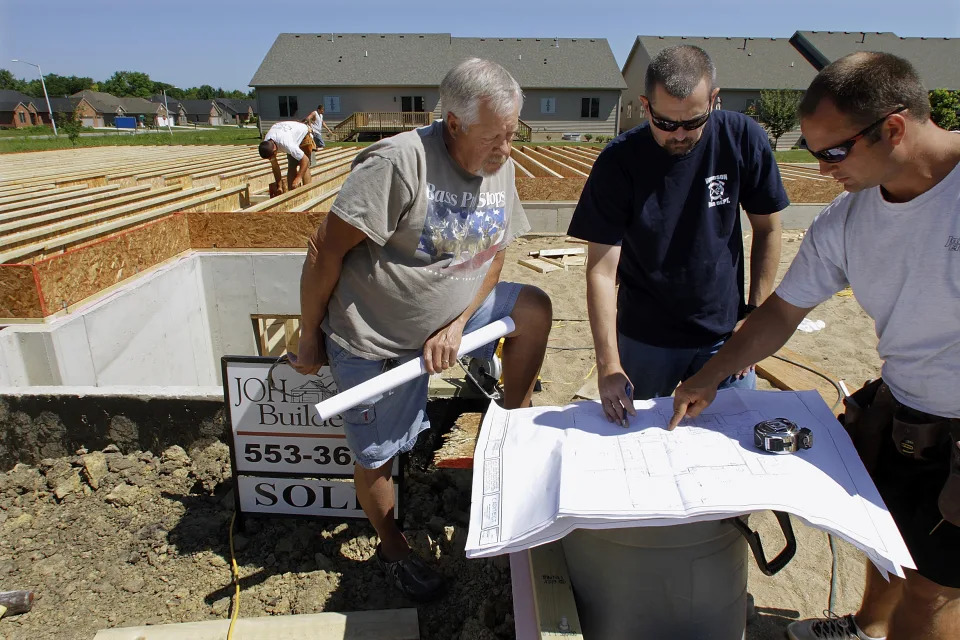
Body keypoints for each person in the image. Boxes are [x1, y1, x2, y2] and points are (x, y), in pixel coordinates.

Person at [671, 52, 960, 640]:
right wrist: (713, 373)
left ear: (895, 128)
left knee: (935, 593)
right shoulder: (849, 219)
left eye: (832, 151)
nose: (822, 168)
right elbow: (781, 312)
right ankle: (867, 626)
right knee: (889, 544)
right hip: (905, 411)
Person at [288, 58, 552, 602]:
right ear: (454, 123)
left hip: (455, 316)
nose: (507, 149)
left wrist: (457, 324)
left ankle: (512, 422)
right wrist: (309, 333)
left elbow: (495, 252)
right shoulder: (399, 163)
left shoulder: (497, 161)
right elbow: (324, 249)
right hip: (375, 337)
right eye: (495, 137)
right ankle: (392, 547)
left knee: (534, 309)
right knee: (376, 456)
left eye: (512, 133)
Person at [566, 44, 786, 423]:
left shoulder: (743, 138)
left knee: (727, 441)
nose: (680, 134)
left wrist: (754, 313)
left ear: (714, 101)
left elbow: (767, 229)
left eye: (693, 122)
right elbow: (601, 271)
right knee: (641, 442)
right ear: (645, 105)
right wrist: (609, 365)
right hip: (645, 339)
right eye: (666, 123)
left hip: (724, 335)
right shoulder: (619, 162)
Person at [258, 120, 315, 194]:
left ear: (274, 150)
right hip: (288, 134)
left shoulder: (286, 144)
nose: (270, 159)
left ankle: (308, 193)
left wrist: (298, 178)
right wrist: (279, 186)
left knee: (304, 166)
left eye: (271, 157)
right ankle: (292, 194)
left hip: (304, 134)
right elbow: (275, 167)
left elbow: (305, 160)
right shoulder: (267, 143)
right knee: (292, 165)